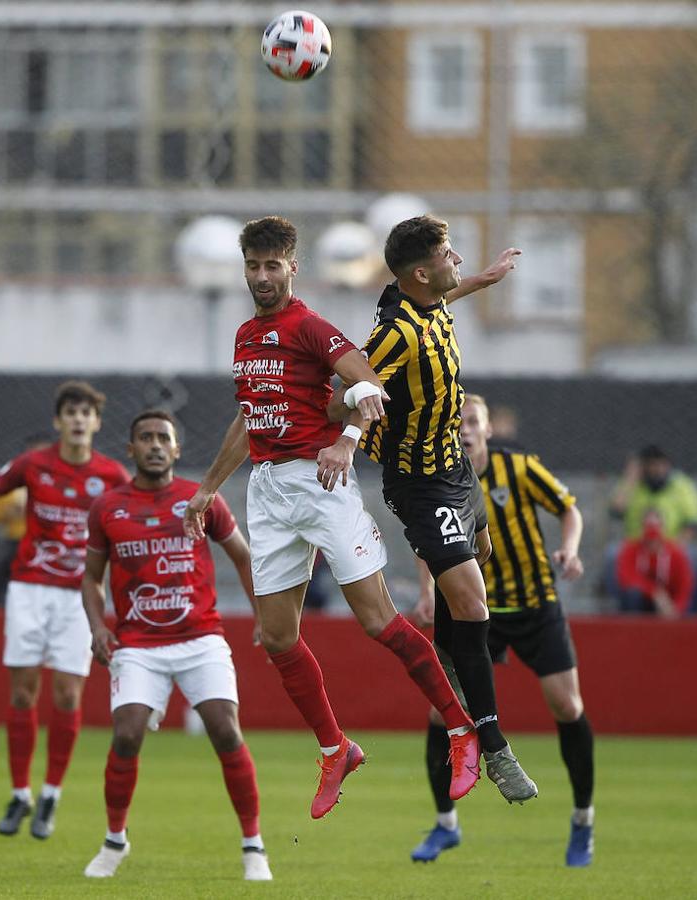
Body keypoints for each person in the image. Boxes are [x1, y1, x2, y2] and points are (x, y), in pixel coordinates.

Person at [182, 215, 481, 822]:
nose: (262, 277)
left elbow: (370, 384)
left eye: (273, 266)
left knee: (377, 621)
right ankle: (335, 748)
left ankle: (460, 729)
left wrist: (345, 439)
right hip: (267, 492)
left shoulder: (312, 328)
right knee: (276, 637)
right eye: (253, 267)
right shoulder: (244, 336)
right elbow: (250, 418)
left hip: (321, 485)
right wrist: (206, 489)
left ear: (293, 268)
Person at [349, 214, 538, 803]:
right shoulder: (394, 334)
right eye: (451, 254)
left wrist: (483, 278)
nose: (456, 261)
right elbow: (350, 388)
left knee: (480, 556)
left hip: (456, 468)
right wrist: (343, 439)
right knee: (470, 595)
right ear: (422, 271)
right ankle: (494, 744)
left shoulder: (431, 303)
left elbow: (448, 291)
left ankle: (457, 661)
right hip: (420, 484)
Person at [80, 409, 271, 881]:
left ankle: (254, 847)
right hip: (137, 643)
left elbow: (244, 556)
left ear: (176, 449)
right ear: (131, 449)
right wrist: (97, 627)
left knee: (225, 730)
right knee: (126, 735)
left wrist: (265, 614)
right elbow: (90, 577)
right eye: (144, 437)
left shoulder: (199, 498)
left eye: (162, 437)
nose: (154, 445)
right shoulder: (108, 508)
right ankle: (114, 840)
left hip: (200, 637)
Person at [409, 395, 595, 867]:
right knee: (440, 714)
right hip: (476, 612)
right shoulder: (440, 476)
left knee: (568, 705)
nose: (466, 430)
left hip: (534, 604)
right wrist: (428, 590)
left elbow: (569, 510)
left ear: (489, 429)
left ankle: (582, 820)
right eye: (459, 423)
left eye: (474, 422)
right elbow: (428, 538)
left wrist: (570, 550)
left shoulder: (520, 469)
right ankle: (445, 823)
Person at [0, 380, 130, 840]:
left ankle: (51, 793)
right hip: (30, 589)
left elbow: (133, 521)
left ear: (96, 423)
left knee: (68, 697)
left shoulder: (113, 475)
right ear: (58, 421)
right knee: (22, 693)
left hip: (81, 594)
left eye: (86, 413)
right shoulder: (33, 465)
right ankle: (20, 794)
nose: (78, 419)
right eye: (70, 412)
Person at [614, 509, 695, 617]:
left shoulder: (676, 553)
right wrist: (655, 593)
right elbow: (626, 578)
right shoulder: (630, 550)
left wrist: (676, 608)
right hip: (642, 602)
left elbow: (685, 585)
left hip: (668, 603)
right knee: (632, 594)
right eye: (648, 525)